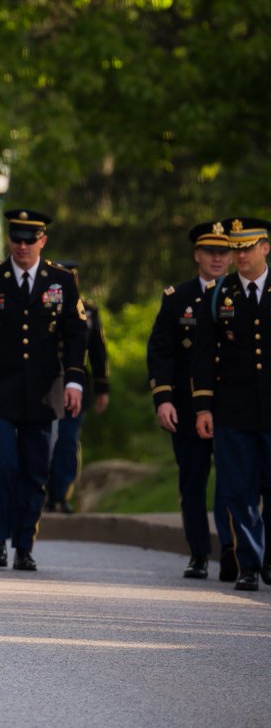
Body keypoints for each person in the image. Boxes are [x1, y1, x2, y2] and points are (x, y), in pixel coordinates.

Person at [0, 209, 87, 572]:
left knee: (35, 469)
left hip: (45, 390)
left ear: (42, 242)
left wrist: (75, 381)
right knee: (1, 464)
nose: (23, 246)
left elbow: (77, 333)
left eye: (30, 240)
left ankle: (25, 545)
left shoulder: (61, 280)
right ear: (9, 240)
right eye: (17, 239)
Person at [147, 221, 237, 580]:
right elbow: (161, 352)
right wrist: (163, 399)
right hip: (185, 406)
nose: (218, 259)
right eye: (211, 252)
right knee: (193, 481)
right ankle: (199, 552)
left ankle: (232, 548)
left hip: (232, 405)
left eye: (224, 252)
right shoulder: (178, 298)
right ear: (197, 254)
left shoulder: (240, 295)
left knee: (234, 481)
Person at [193, 217, 271, 591]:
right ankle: (249, 564)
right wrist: (204, 407)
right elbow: (204, 356)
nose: (240, 255)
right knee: (239, 490)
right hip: (233, 410)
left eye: (248, 247)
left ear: (265, 248)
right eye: (236, 248)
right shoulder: (219, 293)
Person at [46, 260, 110, 513]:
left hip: (75, 385)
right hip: (46, 383)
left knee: (68, 441)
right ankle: (43, 493)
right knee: (45, 440)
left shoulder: (90, 310)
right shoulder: (47, 306)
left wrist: (102, 388)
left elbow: (97, 351)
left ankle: (61, 494)